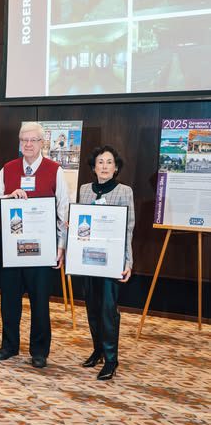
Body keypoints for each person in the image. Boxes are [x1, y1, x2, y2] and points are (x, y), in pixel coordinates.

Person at [0, 122, 70, 368]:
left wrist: (60, 247)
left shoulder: (54, 170)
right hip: (13, 248)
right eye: (24, 140)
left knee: (39, 302)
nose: (28, 144)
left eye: (33, 140)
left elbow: (63, 210)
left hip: (42, 250)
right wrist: (7, 197)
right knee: (9, 300)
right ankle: (9, 345)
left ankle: (39, 350)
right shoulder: (8, 168)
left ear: (42, 143)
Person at [78, 146, 134, 380]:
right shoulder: (85, 190)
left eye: (109, 162)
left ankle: (111, 359)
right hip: (88, 258)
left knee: (108, 310)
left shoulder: (124, 191)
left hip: (111, 261)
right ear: (93, 167)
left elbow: (129, 228)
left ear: (116, 167)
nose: (104, 166)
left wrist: (128, 261)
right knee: (92, 307)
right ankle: (98, 350)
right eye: (100, 162)